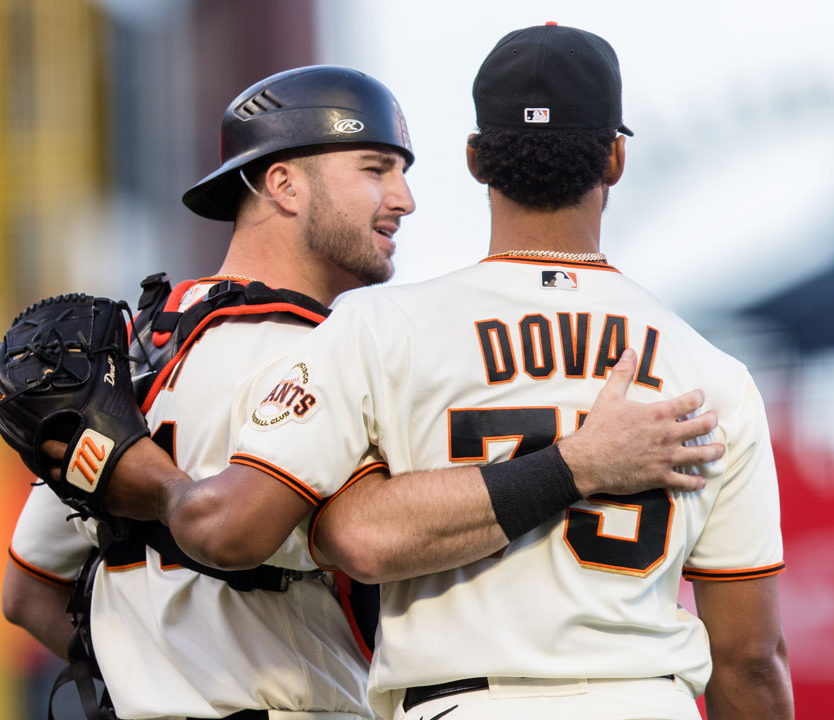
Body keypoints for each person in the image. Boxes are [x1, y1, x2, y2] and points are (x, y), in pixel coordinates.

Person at [5, 64, 716, 720]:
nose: (403, 199)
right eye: (375, 169)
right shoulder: (333, 356)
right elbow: (374, 537)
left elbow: (28, 592)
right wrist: (582, 461)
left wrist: (148, 673)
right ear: (282, 185)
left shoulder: (137, 359)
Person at [171, 24, 789, 720]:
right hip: (646, 701)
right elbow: (748, 660)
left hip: (465, 702)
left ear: (475, 159)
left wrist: (122, 468)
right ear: (614, 158)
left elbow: (294, 534)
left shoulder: (382, 329)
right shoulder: (711, 374)